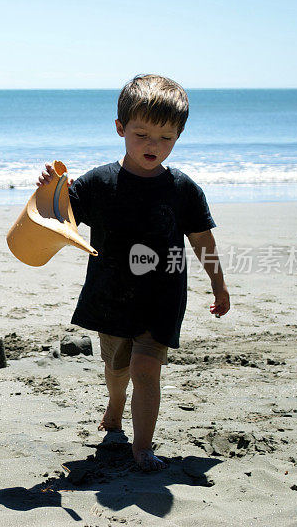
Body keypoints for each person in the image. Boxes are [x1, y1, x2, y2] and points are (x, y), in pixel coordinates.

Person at [37, 74, 230, 471]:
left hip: (162, 297)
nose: (153, 146)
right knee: (117, 365)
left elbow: (202, 241)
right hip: (111, 293)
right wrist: (46, 188)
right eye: (142, 134)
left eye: (167, 138)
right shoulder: (98, 182)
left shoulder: (183, 189)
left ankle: (143, 446)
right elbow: (56, 217)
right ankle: (115, 402)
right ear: (121, 128)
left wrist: (219, 285)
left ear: (178, 136)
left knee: (145, 368)